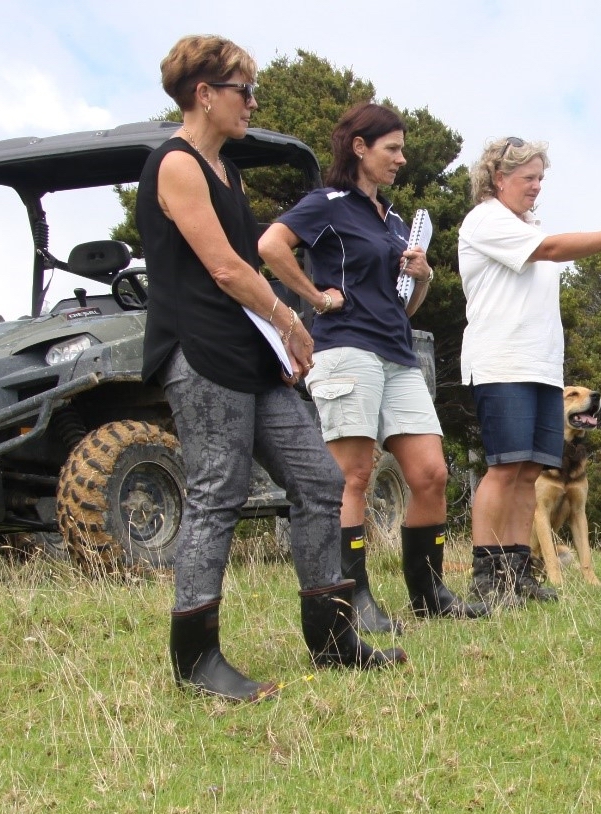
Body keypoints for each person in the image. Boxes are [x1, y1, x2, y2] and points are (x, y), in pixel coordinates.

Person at [140, 35, 404, 703]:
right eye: (244, 91)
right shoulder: (176, 164)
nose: (253, 102)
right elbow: (227, 269)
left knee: (319, 481)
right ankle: (196, 661)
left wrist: (278, 341)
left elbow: (244, 270)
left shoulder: (226, 171)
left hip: (247, 356)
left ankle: (333, 637)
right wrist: (292, 320)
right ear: (205, 94)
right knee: (216, 495)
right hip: (198, 354)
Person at [259, 102, 486, 629]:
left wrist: (424, 276)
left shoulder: (396, 220)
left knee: (431, 473)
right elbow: (271, 245)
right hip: (344, 350)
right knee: (352, 476)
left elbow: (401, 305)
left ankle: (429, 594)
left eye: (402, 148)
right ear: (359, 148)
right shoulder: (327, 204)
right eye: (392, 149)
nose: (401, 159)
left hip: (397, 353)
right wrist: (313, 297)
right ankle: (351, 599)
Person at [456, 136, 601, 606]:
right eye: (528, 178)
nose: (536, 187)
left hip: (542, 368)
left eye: (541, 178)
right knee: (503, 469)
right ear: (498, 178)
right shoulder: (486, 220)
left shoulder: (527, 224)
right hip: (502, 362)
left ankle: (517, 573)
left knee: (529, 472)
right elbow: (549, 249)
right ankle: (488, 577)